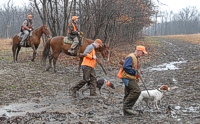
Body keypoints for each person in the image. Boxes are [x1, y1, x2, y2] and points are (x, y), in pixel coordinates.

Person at [121, 45, 148, 115]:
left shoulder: (135, 57)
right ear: (139, 51)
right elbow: (126, 67)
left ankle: (126, 111)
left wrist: (137, 71)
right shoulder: (131, 57)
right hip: (127, 77)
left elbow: (131, 67)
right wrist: (134, 72)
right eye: (142, 53)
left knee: (128, 93)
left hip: (128, 77)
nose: (142, 55)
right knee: (137, 91)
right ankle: (127, 107)